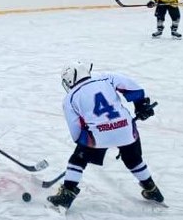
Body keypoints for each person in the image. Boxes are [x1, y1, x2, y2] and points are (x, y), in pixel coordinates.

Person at [47, 62, 162, 212]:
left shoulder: (70, 98)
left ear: (69, 79)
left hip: (98, 134)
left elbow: (76, 132)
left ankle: (67, 193)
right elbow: (133, 87)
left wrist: (86, 148)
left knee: (78, 160)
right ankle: (152, 189)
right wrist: (141, 105)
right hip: (126, 129)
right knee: (133, 159)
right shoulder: (106, 78)